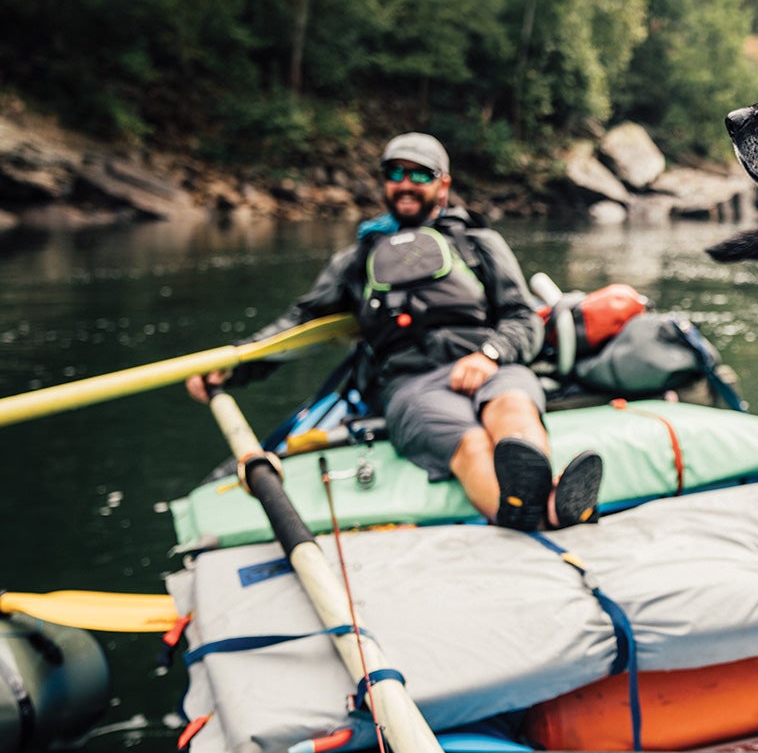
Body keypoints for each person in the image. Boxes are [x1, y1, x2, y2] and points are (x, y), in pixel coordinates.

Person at [186, 132, 602, 531]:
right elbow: (299, 322)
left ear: (443, 185)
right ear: (384, 183)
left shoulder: (479, 243)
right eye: (395, 174)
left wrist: (489, 355)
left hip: (491, 365)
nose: (406, 184)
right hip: (411, 383)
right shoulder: (359, 258)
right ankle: (535, 511)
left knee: (513, 410)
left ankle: (539, 498)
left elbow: (523, 317)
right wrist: (235, 363)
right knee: (472, 443)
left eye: (419, 174)